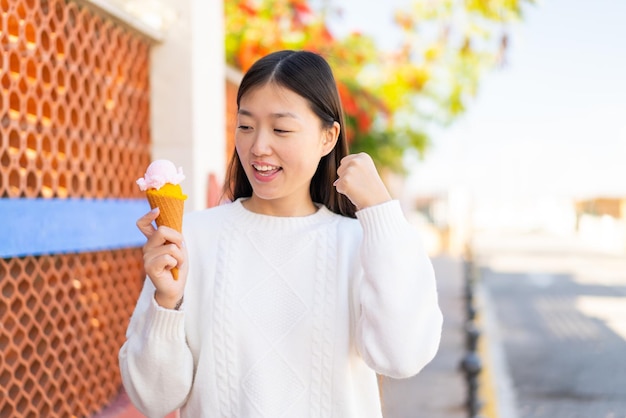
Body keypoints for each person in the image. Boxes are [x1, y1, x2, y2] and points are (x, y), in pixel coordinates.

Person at [119, 50, 442, 418]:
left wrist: (381, 211)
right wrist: (167, 302)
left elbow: (402, 356)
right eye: (245, 126)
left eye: (281, 129)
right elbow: (154, 398)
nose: (258, 147)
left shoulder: (362, 244)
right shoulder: (190, 239)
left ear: (328, 137)